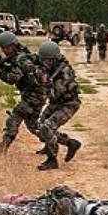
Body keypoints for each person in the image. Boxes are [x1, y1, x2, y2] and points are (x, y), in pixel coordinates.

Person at [0, 31, 49, 155]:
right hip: (37, 93)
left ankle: (3, 147)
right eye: (3, 48)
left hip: (34, 95)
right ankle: (58, 141)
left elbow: (12, 79)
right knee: (33, 125)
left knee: (14, 118)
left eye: (7, 48)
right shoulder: (18, 56)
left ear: (13, 46)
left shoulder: (20, 58)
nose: (5, 51)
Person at [35, 41, 82, 170]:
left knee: (47, 128)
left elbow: (56, 92)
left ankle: (52, 159)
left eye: (49, 60)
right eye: (44, 60)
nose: (47, 63)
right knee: (39, 126)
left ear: (55, 59)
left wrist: (45, 82)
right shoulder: (50, 68)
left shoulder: (64, 71)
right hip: (56, 103)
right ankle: (70, 143)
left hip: (69, 104)